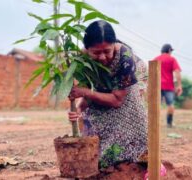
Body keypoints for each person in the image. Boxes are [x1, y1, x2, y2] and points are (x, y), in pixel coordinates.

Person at [68, 20, 166, 176]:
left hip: (132, 78)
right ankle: (109, 160)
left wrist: (86, 93)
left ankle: (151, 163)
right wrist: (78, 110)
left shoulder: (124, 57)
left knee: (131, 113)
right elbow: (87, 90)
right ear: (87, 49)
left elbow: (117, 100)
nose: (102, 57)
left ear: (114, 44)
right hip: (102, 84)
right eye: (96, 52)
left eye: (107, 51)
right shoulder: (82, 61)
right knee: (95, 114)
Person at [153, 44, 182, 128]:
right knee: (170, 104)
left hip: (157, 86)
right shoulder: (172, 59)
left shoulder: (156, 59)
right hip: (168, 86)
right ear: (169, 50)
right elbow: (177, 72)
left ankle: (154, 124)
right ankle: (169, 123)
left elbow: (151, 72)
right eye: (171, 51)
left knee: (156, 105)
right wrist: (179, 85)